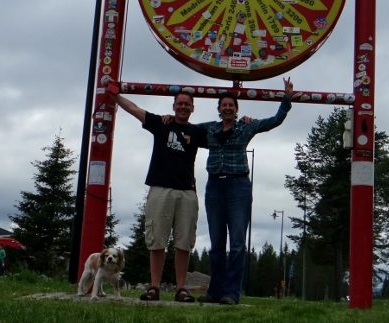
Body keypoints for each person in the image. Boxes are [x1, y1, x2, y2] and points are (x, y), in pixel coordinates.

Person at [198, 77, 294, 305]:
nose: (228, 108)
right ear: (219, 110)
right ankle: (215, 291)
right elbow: (184, 130)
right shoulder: (209, 129)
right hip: (214, 187)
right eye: (224, 105)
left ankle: (231, 293)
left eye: (231, 105)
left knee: (238, 243)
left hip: (238, 187)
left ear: (236, 109)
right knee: (217, 243)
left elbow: (274, 121)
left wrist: (287, 98)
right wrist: (169, 119)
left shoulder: (246, 127)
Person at [108, 84, 207, 303]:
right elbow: (135, 110)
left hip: (187, 192)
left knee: (184, 242)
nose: (183, 107)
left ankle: (182, 289)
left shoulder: (198, 132)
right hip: (160, 188)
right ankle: (154, 287)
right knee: (157, 239)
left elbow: (224, 131)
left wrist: (244, 121)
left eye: (187, 104)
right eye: (179, 103)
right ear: (173, 106)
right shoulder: (161, 124)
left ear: (192, 108)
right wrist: (115, 96)